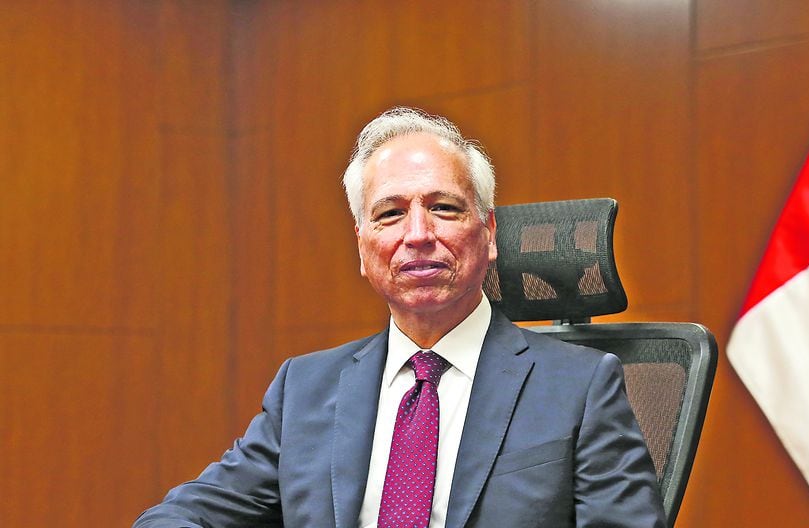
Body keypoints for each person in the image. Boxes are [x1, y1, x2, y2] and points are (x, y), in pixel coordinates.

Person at [134, 107, 665, 528]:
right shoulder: (306, 389)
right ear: (363, 247)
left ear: (489, 233)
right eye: (390, 214)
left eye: (444, 208)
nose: (417, 235)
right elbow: (185, 514)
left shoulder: (580, 385)